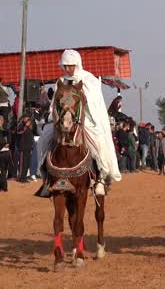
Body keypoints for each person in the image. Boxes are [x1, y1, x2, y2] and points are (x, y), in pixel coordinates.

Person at [34, 50, 123, 196]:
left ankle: (100, 177)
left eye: (71, 65)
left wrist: (79, 97)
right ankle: (45, 177)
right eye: (65, 65)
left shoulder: (89, 80)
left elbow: (94, 103)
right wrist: (54, 115)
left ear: (77, 64)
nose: (68, 69)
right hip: (62, 118)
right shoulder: (60, 82)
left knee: (98, 140)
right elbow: (55, 103)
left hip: (85, 118)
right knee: (44, 136)